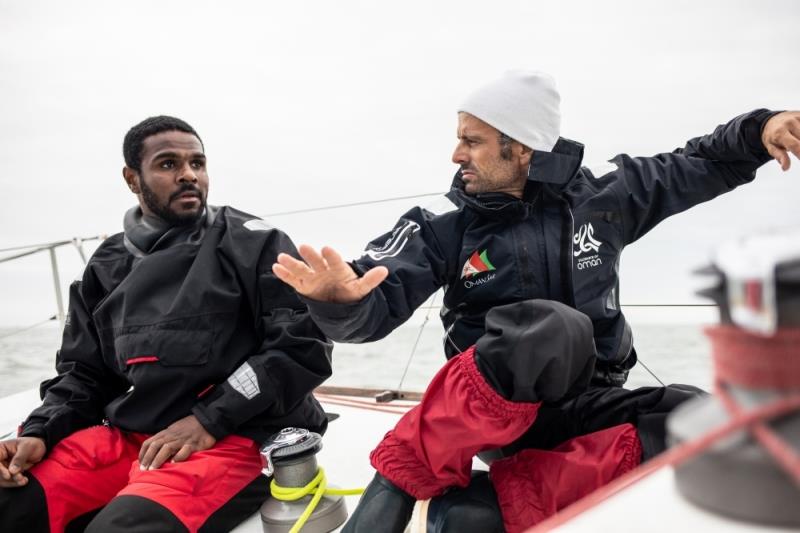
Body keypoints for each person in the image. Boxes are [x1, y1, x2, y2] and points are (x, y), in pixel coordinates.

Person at [272, 71, 800, 532]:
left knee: (699, 418)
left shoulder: (607, 197)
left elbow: (697, 162)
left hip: (584, 403)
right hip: (492, 414)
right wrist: (339, 302)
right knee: (551, 329)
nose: (457, 155)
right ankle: (396, 483)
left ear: (521, 147)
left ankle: (485, 507)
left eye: (472, 141)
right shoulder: (444, 224)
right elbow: (375, 301)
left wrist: (760, 129)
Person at [0, 116, 333, 532]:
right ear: (132, 178)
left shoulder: (253, 242)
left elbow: (299, 348)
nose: (189, 175)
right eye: (168, 164)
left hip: (237, 435)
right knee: (9, 496)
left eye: (198, 163)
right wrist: (40, 431)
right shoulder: (105, 266)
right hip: (135, 437)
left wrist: (208, 419)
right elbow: (84, 374)